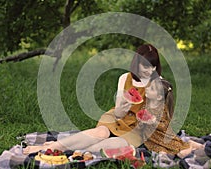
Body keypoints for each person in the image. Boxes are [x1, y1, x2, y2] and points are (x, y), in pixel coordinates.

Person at [23, 44, 162, 154]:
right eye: (146, 66)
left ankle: (69, 149)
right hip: (117, 117)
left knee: (108, 145)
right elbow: (118, 114)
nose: (150, 71)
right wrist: (122, 107)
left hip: (137, 128)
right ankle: (52, 147)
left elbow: (158, 116)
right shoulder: (124, 78)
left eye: (153, 67)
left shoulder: (159, 83)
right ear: (137, 63)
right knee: (101, 132)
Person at [140, 78, 204, 158]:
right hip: (151, 139)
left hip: (162, 137)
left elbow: (164, 126)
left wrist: (154, 121)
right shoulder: (146, 103)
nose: (147, 88)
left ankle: (190, 145)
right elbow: (141, 116)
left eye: (151, 89)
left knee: (179, 151)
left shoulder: (162, 109)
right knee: (159, 151)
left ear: (159, 97)